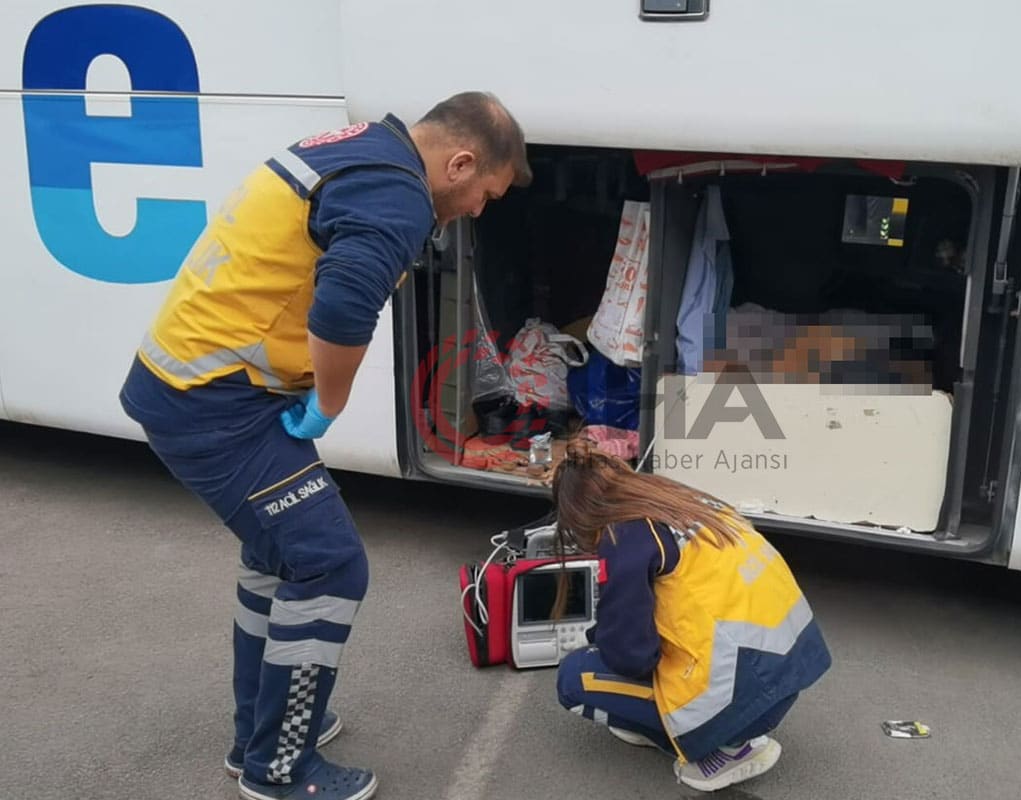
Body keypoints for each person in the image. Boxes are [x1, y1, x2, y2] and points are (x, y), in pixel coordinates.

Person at [118, 92, 532, 800]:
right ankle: (279, 768)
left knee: (280, 556)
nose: (477, 210)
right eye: (483, 193)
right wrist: (328, 406)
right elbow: (341, 309)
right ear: (459, 161)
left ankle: (263, 731)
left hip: (196, 385)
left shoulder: (362, 147)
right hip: (217, 402)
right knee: (330, 564)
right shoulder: (397, 193)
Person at [550, 439, 832, 793]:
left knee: (574, 678)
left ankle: (726, 748)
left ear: (580, 515)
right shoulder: (683, 504)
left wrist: (599, 638)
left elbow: (631, 656)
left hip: (740, 693)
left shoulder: (621, 535)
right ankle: (708, 732)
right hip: (790, 669)